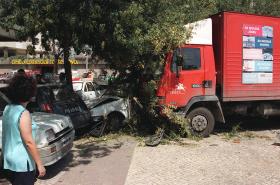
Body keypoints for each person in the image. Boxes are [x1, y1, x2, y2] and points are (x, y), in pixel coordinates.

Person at [2, 74, 46, 185]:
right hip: (22, 165)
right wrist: (40, 164)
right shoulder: (23, 113)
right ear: (30, 93)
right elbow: (29, 142)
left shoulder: (8, 108)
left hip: (9, 161)